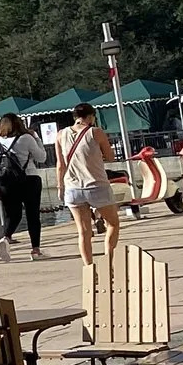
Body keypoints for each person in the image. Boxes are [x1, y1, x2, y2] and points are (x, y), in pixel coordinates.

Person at [57, 101, 121, 266]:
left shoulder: (60, 135)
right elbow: (111, 156)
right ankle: (109, 261)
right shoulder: (96, 132)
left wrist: (60, 187)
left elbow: (60, 165)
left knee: (83, 231)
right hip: (96, 184)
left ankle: (89, 268)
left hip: (72, 188)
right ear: (91, 116)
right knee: (113, 223)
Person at [0, 112, 45, 257]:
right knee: (33, 216)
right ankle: (35, 250)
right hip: (29, 179)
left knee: (13, 215)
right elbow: (42, 157)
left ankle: (6, 237)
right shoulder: (26, 138)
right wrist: (37, 138)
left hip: (6, 182)